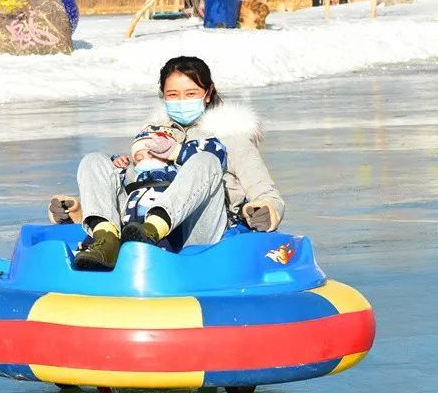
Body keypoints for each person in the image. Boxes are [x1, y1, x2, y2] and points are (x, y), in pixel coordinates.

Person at [49, 56, 285, 271]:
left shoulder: (232, 137)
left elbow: (267, 194)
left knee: (205, 160)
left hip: (198, 231)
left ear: (208, 93)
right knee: (95, 160)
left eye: (191, 94)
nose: (181, 101)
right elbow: (136, 191)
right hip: (138, 227)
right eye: (173, 95)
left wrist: (265, 210)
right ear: (163, 96)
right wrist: (78, 212)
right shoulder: (152, 135)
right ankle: (104, 237)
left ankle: (153, 231)